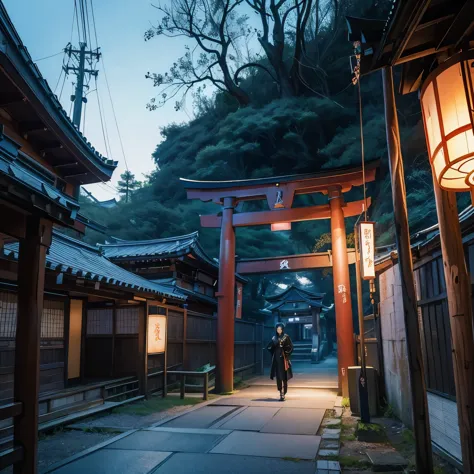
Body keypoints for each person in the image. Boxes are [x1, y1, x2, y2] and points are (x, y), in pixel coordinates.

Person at [267, 323, 293, 401]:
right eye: (277, 329)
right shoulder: (274, 338)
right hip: (277, 359)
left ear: (282, 329)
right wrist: (274, 350)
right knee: (279, 376)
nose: (279, 330)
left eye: (280, 329)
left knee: (284, 376)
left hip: (284, 359)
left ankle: (284, 392)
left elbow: (291, 347)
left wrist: (286, 352)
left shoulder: (286, 337)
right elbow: (269, 347)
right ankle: (281, 392)